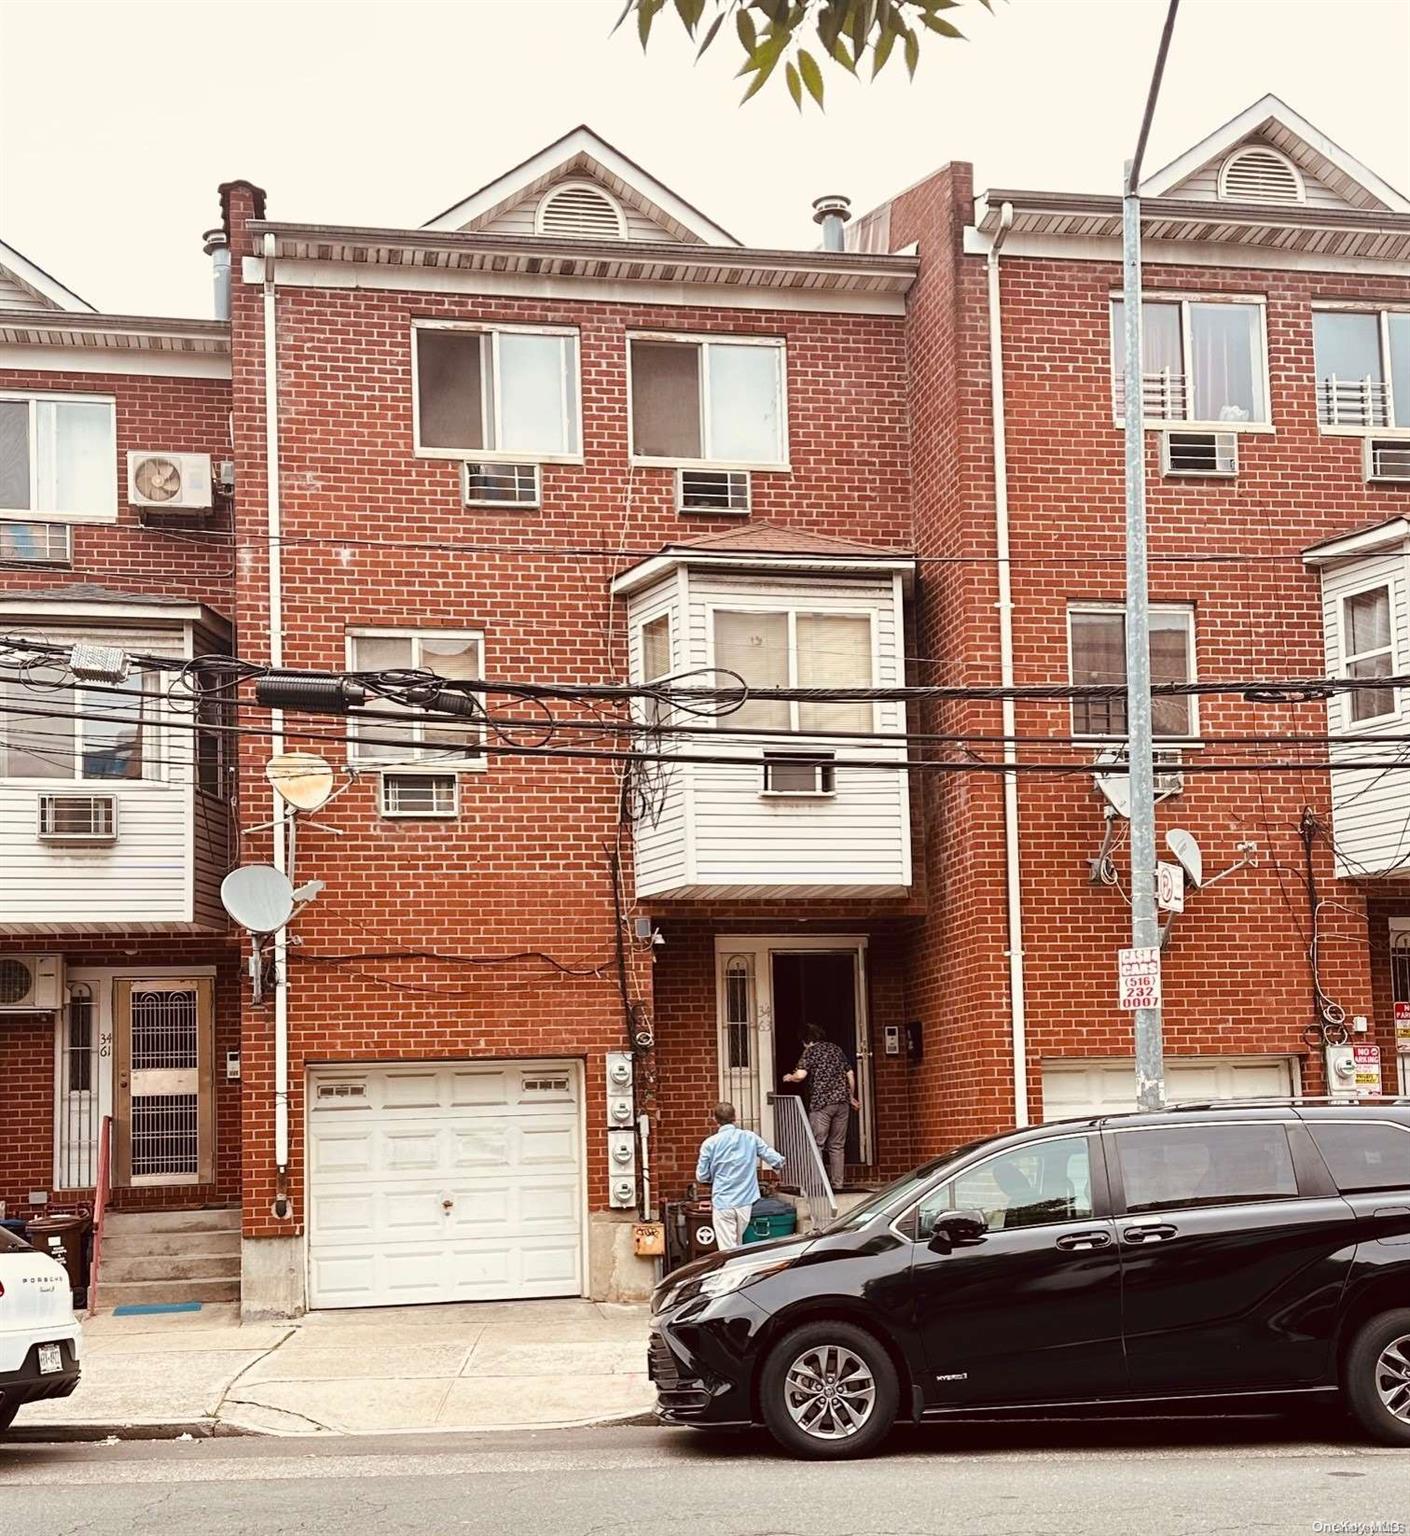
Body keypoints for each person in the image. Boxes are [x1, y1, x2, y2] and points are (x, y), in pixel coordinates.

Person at [695, 1103, 785, 1252]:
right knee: (738, 1244)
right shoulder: (750, 1137)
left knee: (727, 1249)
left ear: (714, 1119)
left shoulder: (709, 1144)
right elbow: (775, 1159)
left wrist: (712, 1176)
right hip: (745, 1202)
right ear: (735, 1118)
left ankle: (732, 1274)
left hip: (723, 1201)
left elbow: (701, 1176)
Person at [783, 1024, 859, 1189]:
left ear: (805, 1040)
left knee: (817, 1143)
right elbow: (850, 1075)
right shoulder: (835, 1049)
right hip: (842, 1103)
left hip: (821, 1104)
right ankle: (838, 1184)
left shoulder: (810, 1052)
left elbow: (800, 1075)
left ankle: (817, 1183)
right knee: (837, 1145)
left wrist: (789, 1077)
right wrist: (851, 1097)